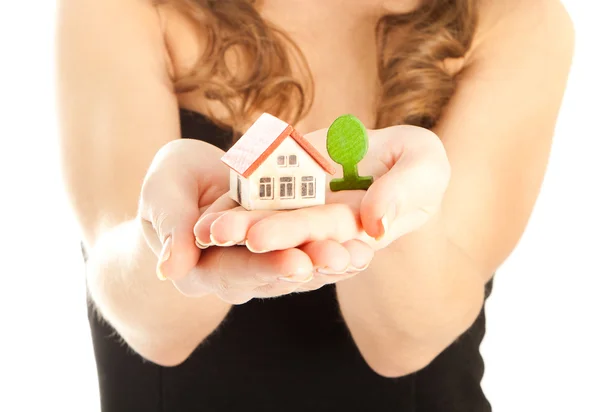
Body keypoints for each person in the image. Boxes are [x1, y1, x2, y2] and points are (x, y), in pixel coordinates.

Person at [56, 0, 574, 410]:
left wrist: (376, 217)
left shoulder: (517, 19)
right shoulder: (124, 6)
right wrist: (175, 236)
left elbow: (406, 343)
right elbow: (149, 322)